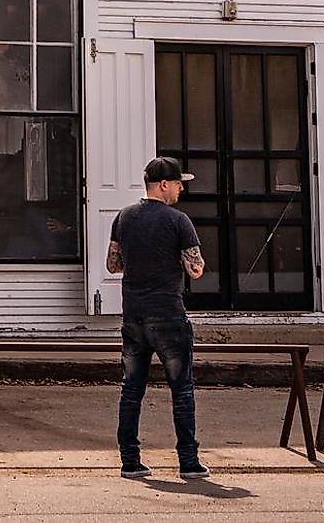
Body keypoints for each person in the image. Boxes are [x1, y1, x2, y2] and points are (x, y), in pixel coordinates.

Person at [105, 156, 209, 480]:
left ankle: (130, 461)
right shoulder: (179, 221)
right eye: (179, 183)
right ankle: (189, 462)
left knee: (131, 389)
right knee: (182, 389)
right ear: (163, 185)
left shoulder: (123, 218)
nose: (181, 189)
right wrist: (179, 260)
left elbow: (113, 265)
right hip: (168, 316)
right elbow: (196, 268)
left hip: (133, 317)